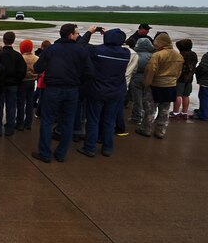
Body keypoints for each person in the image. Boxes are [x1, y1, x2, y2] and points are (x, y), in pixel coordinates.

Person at [31, 23, 93, 163]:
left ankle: (45, 153)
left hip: (53, 89)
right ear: (70, 35)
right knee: (68, 122)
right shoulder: (81, 50)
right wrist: (79, 83)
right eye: (76, 33)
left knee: (47, 121)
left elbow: (37, 67)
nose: (78, 35)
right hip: (72, 90)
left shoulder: (51, 49)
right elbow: (89, 72)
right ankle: (61, 154)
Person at [77, 28, 129, 158]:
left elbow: (80, 46)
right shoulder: (125, 53)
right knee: (109, 121)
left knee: (93, 120)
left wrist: (90, 32)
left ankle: (90, 147)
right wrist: (110, 35)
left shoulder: (97, 51)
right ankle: (107, 147)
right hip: (116, 91)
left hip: (97, 90)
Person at [138, 33, 184, 139]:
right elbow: (179, 72)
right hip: (170, 86)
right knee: (164, 110)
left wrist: (146, 84)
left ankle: (146, 129)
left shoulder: (158, 55)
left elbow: (150, 70)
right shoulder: (178, 55)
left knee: (150, 109)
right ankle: (160, 131)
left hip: (156, 85)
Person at [0, 31, 26, 136]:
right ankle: (9, 129)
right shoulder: (17, 56)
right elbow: (22, 71)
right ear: (13, 40)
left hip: (0, 84)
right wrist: (17, 80)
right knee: (11, 107)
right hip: (13, 85)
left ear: (4, 40)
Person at [130, 38, 155, 125]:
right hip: (149, 79)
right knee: (148, 100)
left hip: (136, 79)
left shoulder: (135, 55)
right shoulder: (153, 55)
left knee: (137, 99)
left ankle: (137, 117)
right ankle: (147, 117)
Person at [171, 39, 198, 119]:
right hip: (189, 77)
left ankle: (175, 112)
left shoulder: (180, 55)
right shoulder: (194, 54)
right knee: (186, 95)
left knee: (178, 95)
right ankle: (184, 112)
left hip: (180, 77)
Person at [16, 39, 38, 130]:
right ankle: (28, 123)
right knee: (29, 102)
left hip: (23, 82)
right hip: (32, 81)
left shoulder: (21, 58)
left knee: (21, 103)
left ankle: (20, 123)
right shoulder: (36, 58)